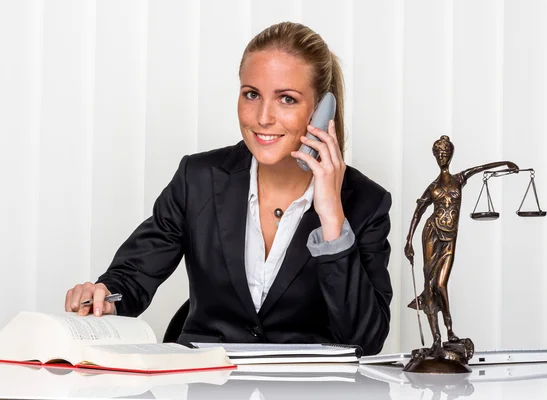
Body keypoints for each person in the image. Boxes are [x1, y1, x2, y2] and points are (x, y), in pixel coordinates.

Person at [65, 21, 393, 355]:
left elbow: (365, 340)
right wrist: (106, 295)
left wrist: (332, 218)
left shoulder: (367, 202)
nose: (263, 117)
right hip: (211, 382)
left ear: (323, 109)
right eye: (252, 94)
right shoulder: (199, 178)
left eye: (287, 99)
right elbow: (133, 275)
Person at [404, 135, 518, 352]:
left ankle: (450, 331)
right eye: (438, 154)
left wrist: (506, 164)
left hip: (449, 237)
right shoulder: (433, 186)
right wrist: (408, 241)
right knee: (429, 286)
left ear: (451, 155)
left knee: (440, 284)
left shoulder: (459, 179)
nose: (442, 157)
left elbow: (481, 168)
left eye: (445, 153)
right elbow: (418, 213)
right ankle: (437, 339)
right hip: (431, 233)